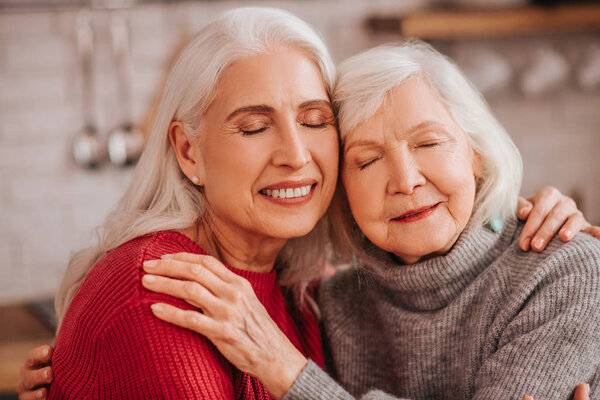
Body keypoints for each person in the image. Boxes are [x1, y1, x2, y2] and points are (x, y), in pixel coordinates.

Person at [16, 13, 599, 400]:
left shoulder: (305, 295)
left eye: (314, 121)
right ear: (188, 151)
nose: (296, 156)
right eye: (367, 160)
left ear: (476, 154)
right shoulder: (173, 296)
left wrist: (288, 372)